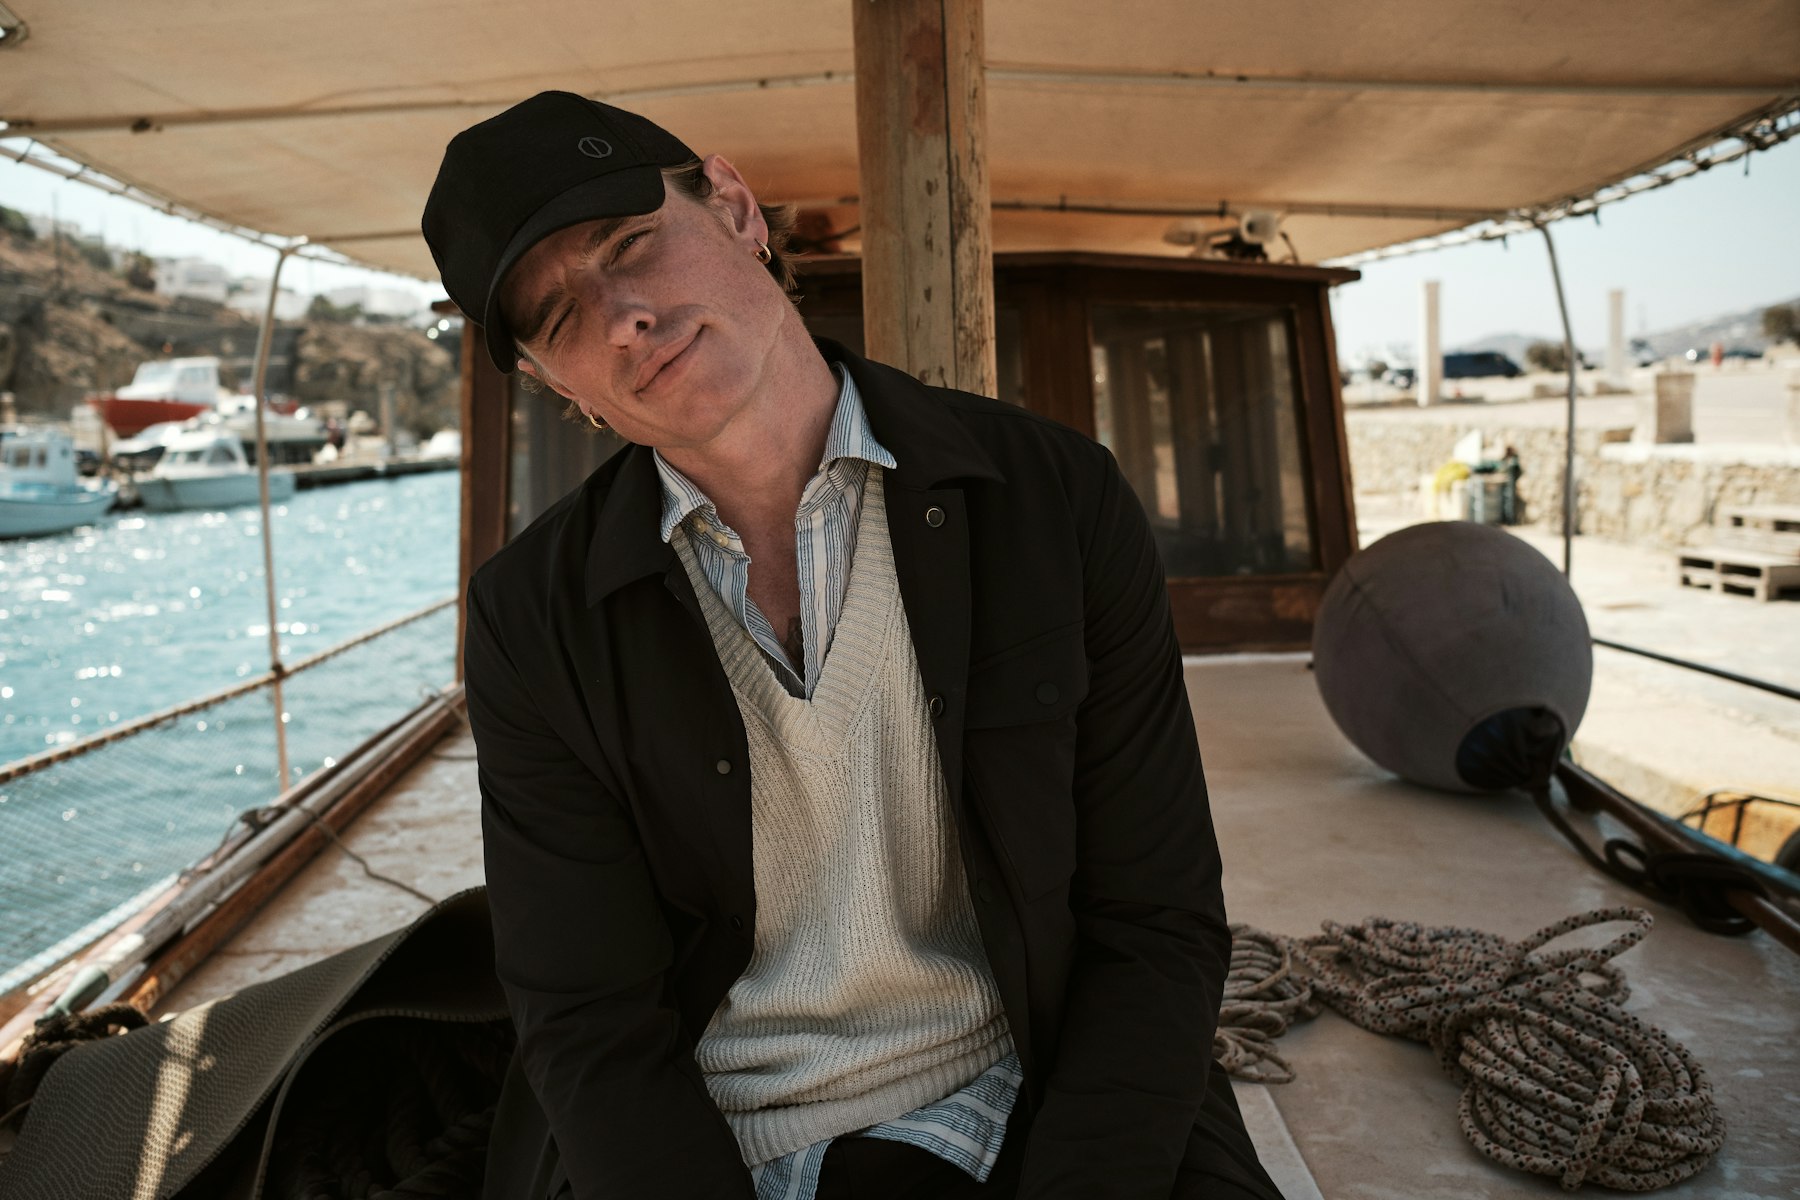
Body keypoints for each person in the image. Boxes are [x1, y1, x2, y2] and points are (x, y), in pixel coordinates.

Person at [423, 91, 1279, 1200]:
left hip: (1036, 1080)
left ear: (735, 209)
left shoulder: (1055, 499)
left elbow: (1156, 919)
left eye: (629, 242)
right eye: (557, 318)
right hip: (710, 1138)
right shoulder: (530, 619)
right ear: (555, 382)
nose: (621, 316)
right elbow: (590, 1021)